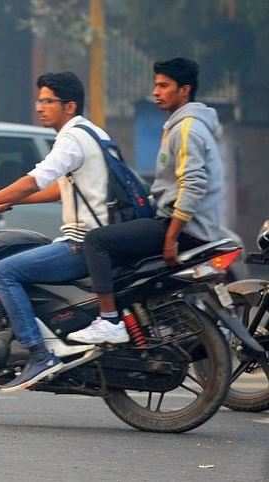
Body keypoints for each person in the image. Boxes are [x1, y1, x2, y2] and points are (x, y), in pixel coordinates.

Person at [0, 72, 123, 392]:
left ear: (69, 106)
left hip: (82, 242)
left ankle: (38, 353)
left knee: (4, 271)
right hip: (100, 238)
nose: (40, 107)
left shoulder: (71, 138)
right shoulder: (92, 133)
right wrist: (5, 203)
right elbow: (59, 189)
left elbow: (35, 180)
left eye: (48, 101)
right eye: (39, 100)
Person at [68, 57, 223, 344]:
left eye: (164, 86)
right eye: (156, 85)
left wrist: (171, 237)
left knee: (96, 241)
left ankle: (109, 321)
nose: (156, 91)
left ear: (184, 90)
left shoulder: (188, 128)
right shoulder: (180, 125)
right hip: (178, 223)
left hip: (184, 229)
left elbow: (192, 184)